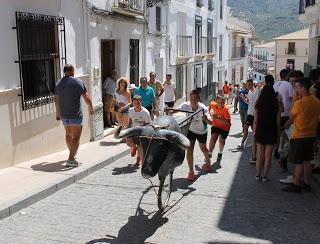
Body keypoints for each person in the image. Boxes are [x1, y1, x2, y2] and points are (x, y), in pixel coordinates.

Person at [283, 78, 320, 193]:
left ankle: (296, 184)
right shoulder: (316, 101)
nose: (295, 89)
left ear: (303, 88)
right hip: (311, 135)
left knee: (298, 162)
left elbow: (290, 115)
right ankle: (307, 183)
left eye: (297, 87)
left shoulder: (299, 103)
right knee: (307, 161)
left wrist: (295, 99)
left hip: (299, 136)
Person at [55, 64, 94, 167]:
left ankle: (72, 154)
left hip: (64, 114)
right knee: (76, 137)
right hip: (75, 114)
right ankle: (71, 159)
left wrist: (58, 113)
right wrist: (91, 107)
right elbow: (86, 96)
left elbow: (57, 100)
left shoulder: (59, 83)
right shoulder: (77, 82)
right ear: (72, 71)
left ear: (64, 71)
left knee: (68, 135)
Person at [175, 90, 211, 181]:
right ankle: (191, 171)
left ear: (199, 99)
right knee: (189, 149)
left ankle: (208, 161)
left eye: (195, 99)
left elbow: (211, 122)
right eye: (191, 99)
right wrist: (168, 110)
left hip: (202, 131)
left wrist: (206, 119)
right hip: (191, 130)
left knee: (203, 148)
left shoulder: (203, 108)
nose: (193, 101)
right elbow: (176, 110)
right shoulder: (186, 105)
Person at [253, 83, 280, 182]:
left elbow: (255, 120)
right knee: (268, 155)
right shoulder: (276, 104)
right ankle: (264, 176)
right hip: (272, 130)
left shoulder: (258, 103)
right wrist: (278, 134)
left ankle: (257, 175)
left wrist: (255, 132)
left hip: (260, 130)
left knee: (260, 154)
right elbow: (278, 122)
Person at [273, 69, 294, 159]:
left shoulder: (275, 84)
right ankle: (288, 152)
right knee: (290, 133)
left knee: (279, 132)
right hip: (286, 112)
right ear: (287, 76)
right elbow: (292, 97)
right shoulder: (289, 85)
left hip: (276, 113)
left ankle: (277, 149)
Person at [238, 79, 259, 164]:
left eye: (249, 84)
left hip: (254, 114)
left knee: (252, 130)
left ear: (252, 84)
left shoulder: (256, 92)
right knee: (246, 128)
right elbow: (248, 102)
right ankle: (244, 143)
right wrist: (243, 98)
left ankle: (255, 145)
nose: (248, 86)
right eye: (247, 85)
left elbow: (256, 103)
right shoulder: (250, 92)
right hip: (250, 113)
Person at [127, 95, 151, 166]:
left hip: (142, 131)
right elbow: (130, 119)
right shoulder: (130, 110)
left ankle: (139, 158)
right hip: (133, 129)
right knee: (128, 142)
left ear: (141, 103)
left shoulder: (145, 112)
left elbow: (148, 124)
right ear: (132, 103)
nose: (137, 105)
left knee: (140, 146)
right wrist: (127, 128)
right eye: (135, 103)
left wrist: (141, 127)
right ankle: (134, 147)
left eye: (138, 103)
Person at [208, 95, 231, 162]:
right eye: (219, 102)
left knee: (221, 141)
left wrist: (217, 118)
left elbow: (228, 123)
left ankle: (220, 152)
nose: (220, 104)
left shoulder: (226, 109)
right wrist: (210, 113)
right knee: (213, 138)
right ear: (216, 101)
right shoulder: (213, 104)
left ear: (225, 102)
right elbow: (210, 105)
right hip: (216, 125)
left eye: (222, 102)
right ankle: (209, 154)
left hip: (225, 127)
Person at [309, 69, 320, 174]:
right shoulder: (315, 88)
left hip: (315, 117)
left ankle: (314, 162)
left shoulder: (313, 89)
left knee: (315, 139)